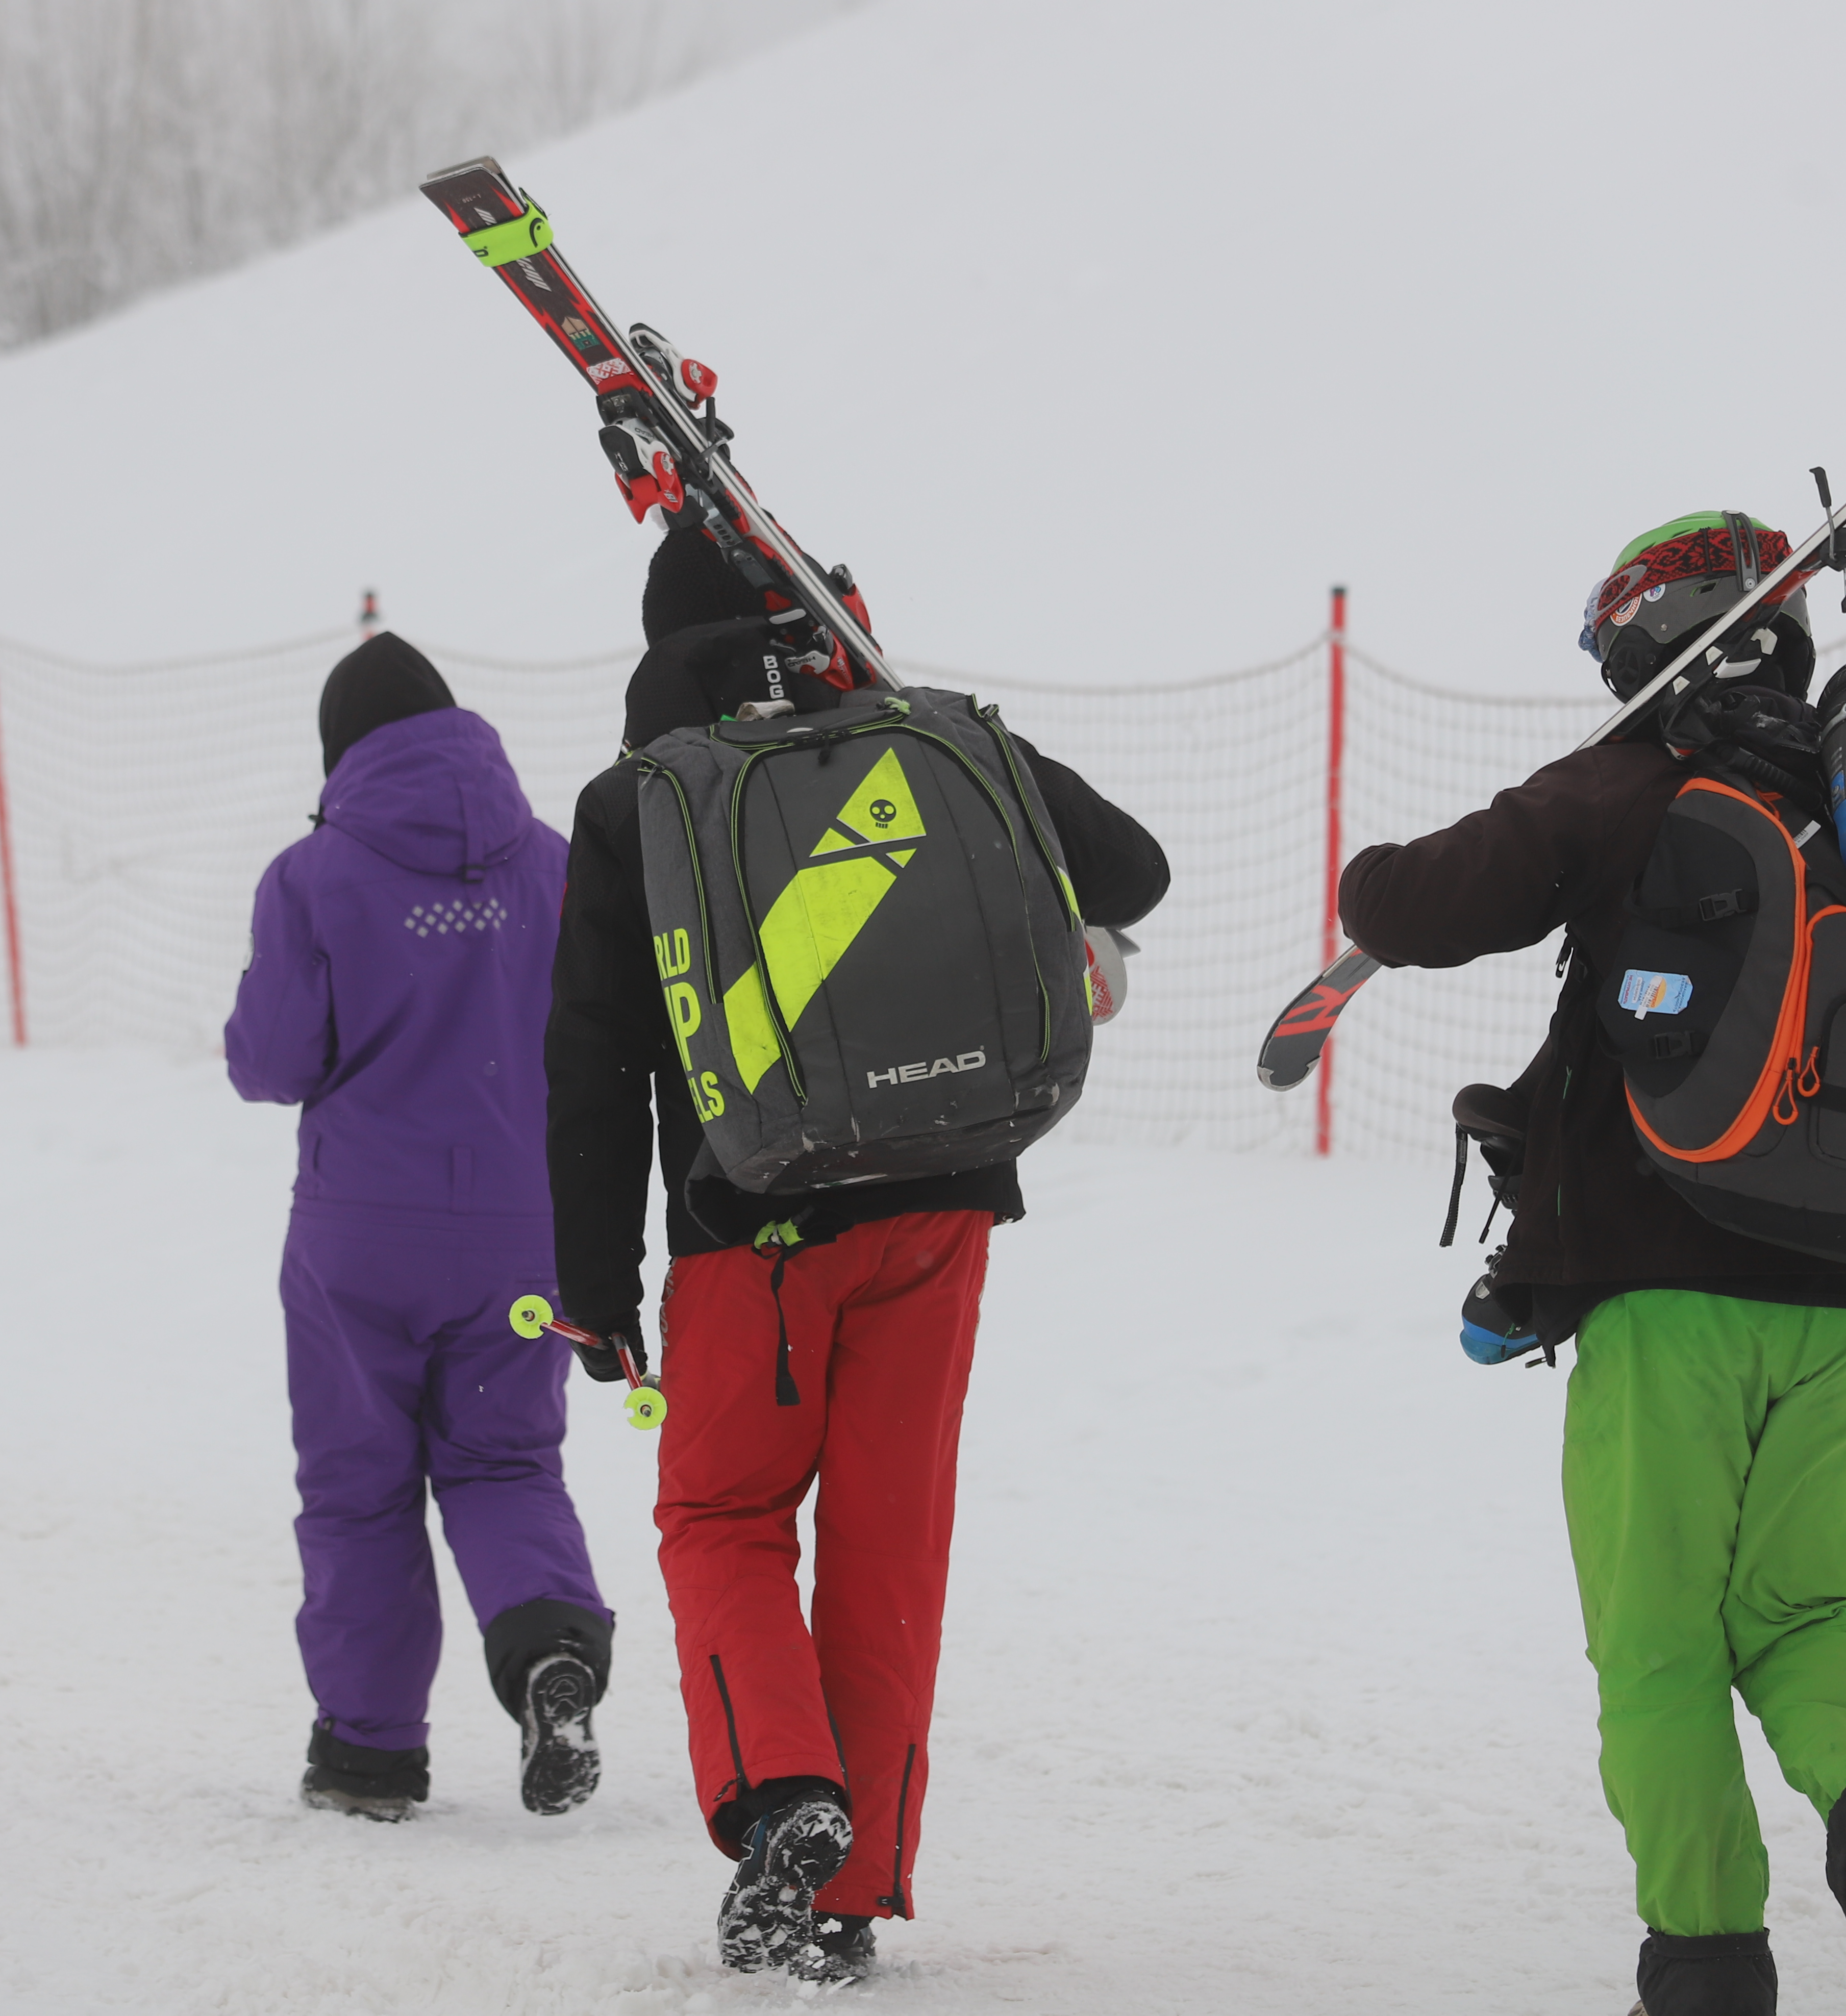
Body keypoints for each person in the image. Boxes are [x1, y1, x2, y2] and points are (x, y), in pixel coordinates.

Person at [1338, 514, 1846, 2016]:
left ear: (1651, 636)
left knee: (1662, 1645)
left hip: (1670, 1288)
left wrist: (1373, 880)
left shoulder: (1629, 782)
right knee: (1820, 1611)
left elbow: (1409, 905)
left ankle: (1706, 1970)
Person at [543, 525, 1169, 1982]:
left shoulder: (641, 799)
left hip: (752, 1228)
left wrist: (597, 1289)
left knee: (723, 1518)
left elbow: (594, 1064)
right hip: (944, 1208)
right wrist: (899, 710)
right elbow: (1131, 868)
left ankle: (783, 1796)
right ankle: (849, 1895)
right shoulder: (924, 743)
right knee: (890, 1544)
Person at [224, 631, 612, 1823]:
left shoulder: (313, 877)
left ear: (343, 755)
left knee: (359, 1484)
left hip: (365, 1235)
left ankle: (369, 1753)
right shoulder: (555, 863)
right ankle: (550, 1648)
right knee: (506, 1460)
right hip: (525, 1228)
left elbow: (272, 1062)